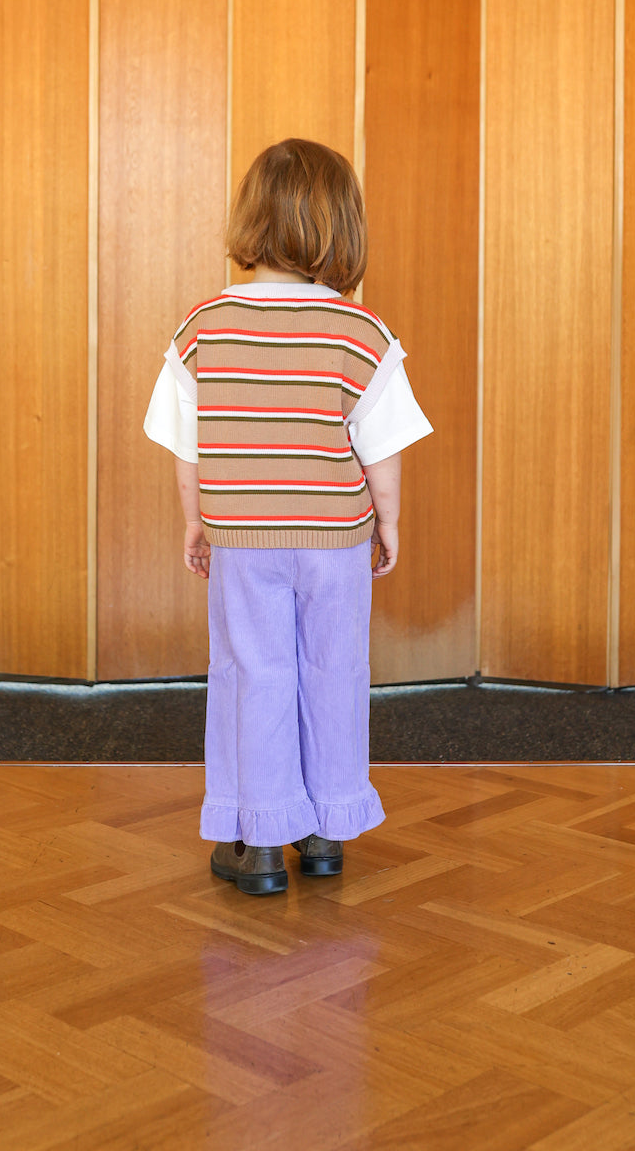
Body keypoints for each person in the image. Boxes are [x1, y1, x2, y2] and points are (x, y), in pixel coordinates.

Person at [143, 137, 432, 895]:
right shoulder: (361, 333)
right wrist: (389, 523)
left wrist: (195, 521)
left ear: (251, 220)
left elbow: (188, 445)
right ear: (341, 227)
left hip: (241, 539)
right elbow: (383, 447)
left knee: (253, 673)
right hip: (336, 540)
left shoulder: (203, 327)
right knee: (334, 670)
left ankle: (259, 842)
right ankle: (327, 828)